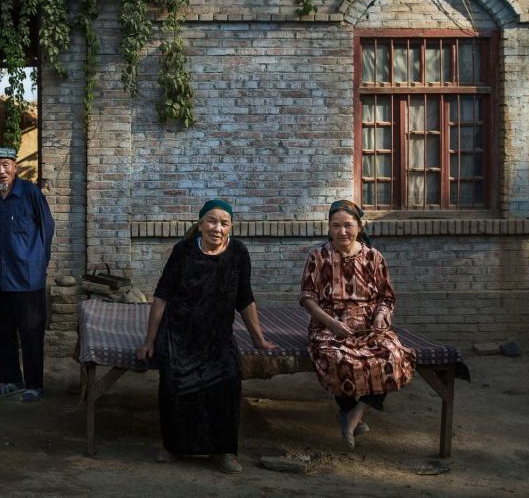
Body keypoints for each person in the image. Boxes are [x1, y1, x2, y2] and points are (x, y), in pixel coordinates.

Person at [136, 199, 277, 474]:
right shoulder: (183, 251)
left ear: (231, 227)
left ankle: (222, 451)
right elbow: (162, 296)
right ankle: (174, 446)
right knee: (174, 382)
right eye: (212, 221)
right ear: (200, 224)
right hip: (179, 333)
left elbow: (245, 299)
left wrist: (259, 339)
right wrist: (149, 340)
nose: (217, 228)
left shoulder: (238, 252)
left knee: (227, 380)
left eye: (224, 223)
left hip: (218, 335)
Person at [299, 199, 417, 450]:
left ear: (360, 226)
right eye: (336, 226)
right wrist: (331, 324)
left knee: (393, 356)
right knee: (337, 358)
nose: (342, 232)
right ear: (329, 228)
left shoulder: (374, 257)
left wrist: (380, 317)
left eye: (348, 225)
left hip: (369, 326)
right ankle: (348, 410)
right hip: (329, 325)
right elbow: (307, 298)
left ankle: (355, 413)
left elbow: (386, 297)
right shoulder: (318, 257)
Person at [0, 146, 55, 403]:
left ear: (14, 166)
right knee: (2, 331)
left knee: (31, 331)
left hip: (27, 276)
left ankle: (35, 384)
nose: (1, 171)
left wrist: (38, 262)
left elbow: (47, 227)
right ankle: (11, 379)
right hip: (1, 275)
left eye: (5, 165)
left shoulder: (30, 193)